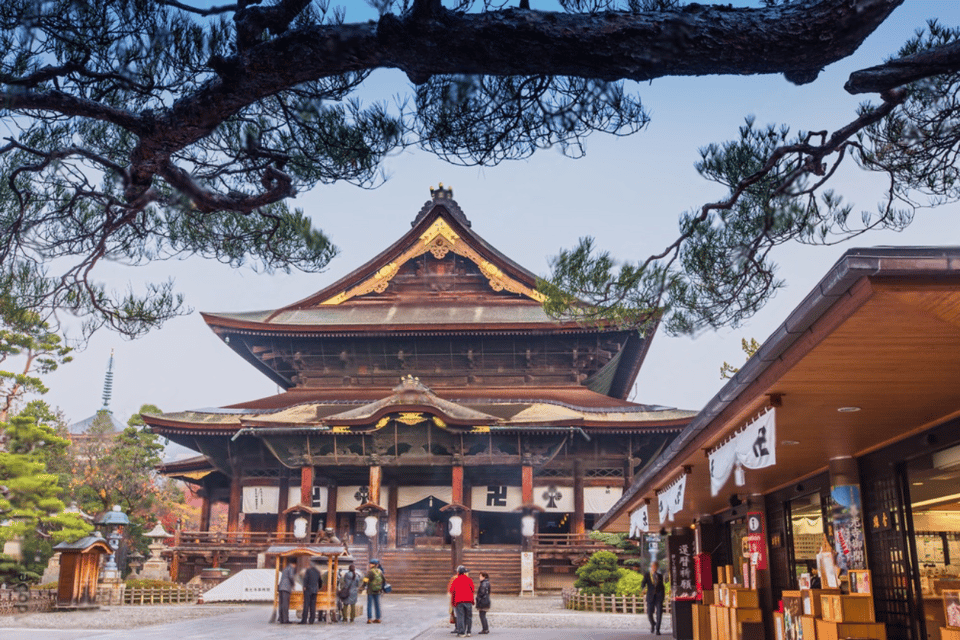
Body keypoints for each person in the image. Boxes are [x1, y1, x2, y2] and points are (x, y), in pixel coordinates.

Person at [449, 565, 475, 638]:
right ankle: (468, 631)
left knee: (460, 617)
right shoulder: (469, 580)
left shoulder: (456, 580)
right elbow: (473, 589)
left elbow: (451, 590)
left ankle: (462, 632)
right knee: (468, 616)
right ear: (464, 572)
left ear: (458, 572)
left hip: (459, 601)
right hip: (468, 600)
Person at [641, 560, 666, 636]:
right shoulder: (647, 575)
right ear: (651, 567)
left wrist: (662, 596)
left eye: (655, 566)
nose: (653, 567)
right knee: (649, 613)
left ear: (657, 567)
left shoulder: (660, 575)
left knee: (659, 613)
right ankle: (653, 624)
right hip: (650, 597)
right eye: (652, 566)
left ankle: (658, 630)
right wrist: (643, 588)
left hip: (659, 597)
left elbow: (662, 586)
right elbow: (643, 583)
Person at [300, 559, 322, 624]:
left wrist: (304, 587)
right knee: (313, 606)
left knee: (306, 605)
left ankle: (304, 620)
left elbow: (305, 579)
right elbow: (320, 581)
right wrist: (319, 588)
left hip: (308, 590)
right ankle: (311, 620)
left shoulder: (308, 571)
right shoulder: (317, 572)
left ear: (310, 565)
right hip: (315, 590)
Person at [363, 558, 385, 624]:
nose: (369, 565)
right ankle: (378, 618)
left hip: (370, 590)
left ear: (373, 565)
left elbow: (365, 580)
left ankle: (369, 619)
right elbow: (383, 580)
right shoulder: (380, 571)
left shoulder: (370, 571)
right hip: (378, 590)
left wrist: (363, 586)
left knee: (369, 604)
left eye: (370, 563)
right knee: (377, 605)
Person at [277, 558, 297, 624]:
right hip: (286, 588)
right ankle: (285, 620)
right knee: (285, 604)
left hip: (281, 587)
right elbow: (291, 577)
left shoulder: (285, 568)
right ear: (294, 564)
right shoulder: (291, 568)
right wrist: (293, 584)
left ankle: (281, 618)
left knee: (281, 604)